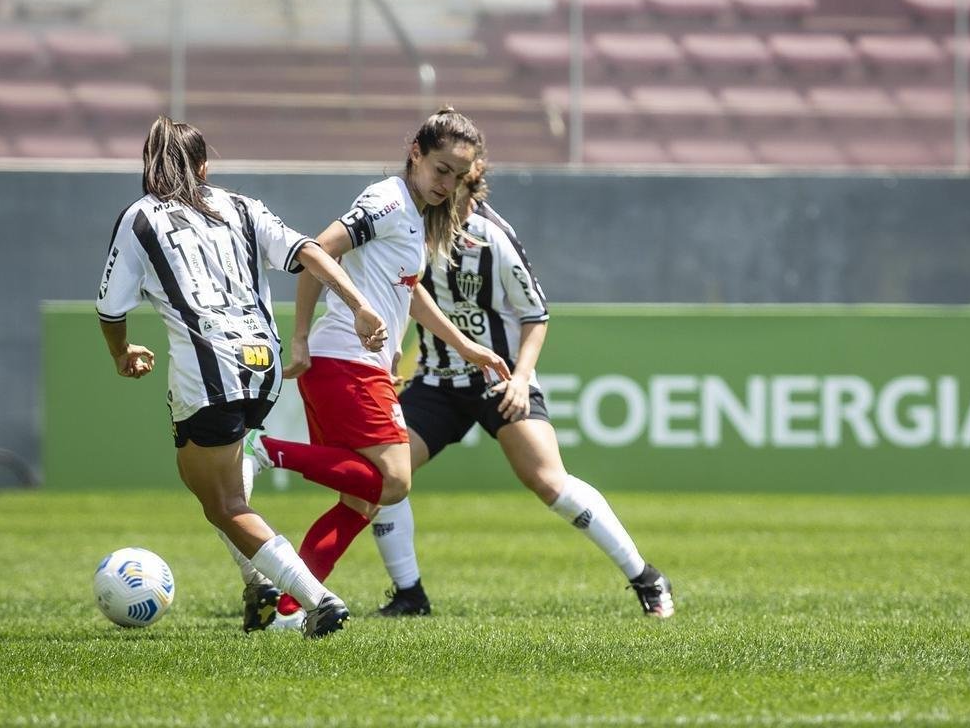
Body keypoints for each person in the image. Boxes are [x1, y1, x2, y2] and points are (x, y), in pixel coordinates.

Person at [96, 115, 388, 639]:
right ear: (204, 166)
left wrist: (121, 353)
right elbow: (309, 253)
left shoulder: (139, 218)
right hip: (263, 366)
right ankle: (260, 584)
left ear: (148, 166)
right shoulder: (242, 207)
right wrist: (361, 305)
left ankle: (313, 600)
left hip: (208, 375)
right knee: (201, 479)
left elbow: (111, 310)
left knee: (224, 504)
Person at [368, 158, 675, 619]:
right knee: (383, 477)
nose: (446, 196)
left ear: (471, 190)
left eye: (457, 188)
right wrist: (396, 355)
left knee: (548, 480)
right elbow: (408, 296)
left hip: (500, 377)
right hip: (437, 378)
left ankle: (646, 577)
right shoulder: (412, 226)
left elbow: (536, 315)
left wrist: (522, 379)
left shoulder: (494, 236)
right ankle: (410, 595)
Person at [243, 108, 511, 622]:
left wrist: (467, 347)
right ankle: (265, 449)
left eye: (458, 176)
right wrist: (299, 335)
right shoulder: (387, 201)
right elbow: (316, 251)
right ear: (416, 153)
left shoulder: (413, 213)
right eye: (440, 170)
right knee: (394, 481)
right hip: (345, 360)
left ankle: (288, 609)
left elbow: (408, 296)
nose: (447, 184)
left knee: (359, 504)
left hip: (355, 364)